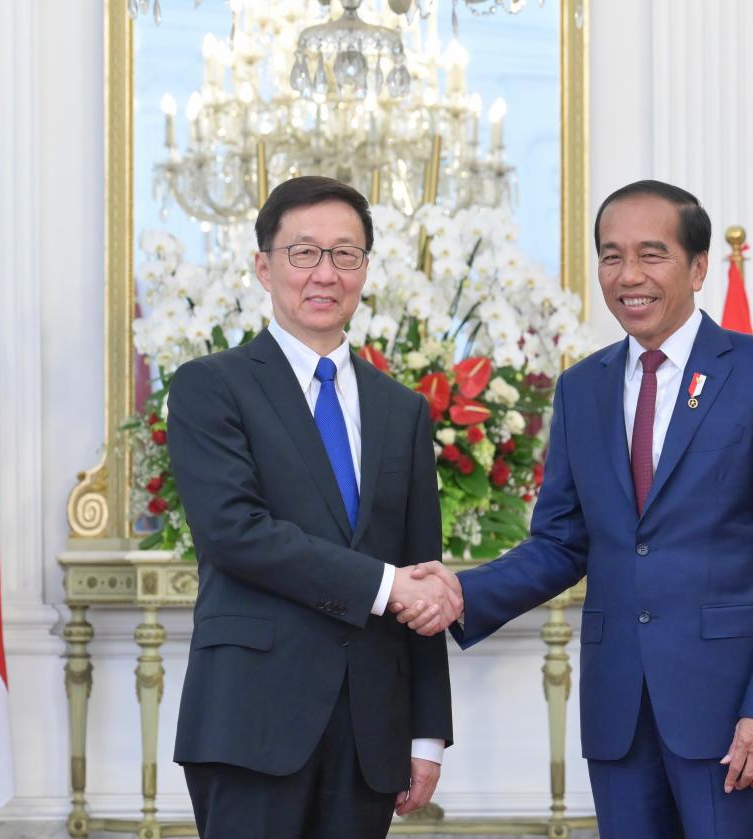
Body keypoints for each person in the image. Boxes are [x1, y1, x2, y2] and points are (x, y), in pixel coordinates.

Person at [396, 180, 753, 838]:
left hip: (728, 709)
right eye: (610, 255)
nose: (627, 276)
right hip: (617, 708)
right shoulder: (581, 387)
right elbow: (561, 542)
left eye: (651, 255)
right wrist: (460, 590)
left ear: (697, 266)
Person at [168, 175, 459, 839]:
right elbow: (233, 532)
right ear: (263, 266)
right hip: (249, 720)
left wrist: (426, 732)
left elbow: (422, 562)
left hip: (370, 730)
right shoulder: (212, 388)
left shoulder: (402, 410)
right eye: (304, 253)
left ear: (364, 269)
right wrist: (385, 586)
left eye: (345, 254)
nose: (325, 273)